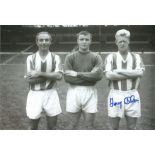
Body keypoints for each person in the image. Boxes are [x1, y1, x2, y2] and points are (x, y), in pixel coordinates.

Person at [105, 29, 145, 130]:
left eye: (124, 41)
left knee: (132, 127)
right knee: (113, 127)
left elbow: (140, 73)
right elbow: (109, 76)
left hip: (132, 94)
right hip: (115, 94)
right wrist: (132, 74)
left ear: (129, 41)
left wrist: (118, 71)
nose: (122, 43)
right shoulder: (111, 57)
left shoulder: (136, 57)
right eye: (120, 41)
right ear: (116, 42)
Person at [64, 31, 103, 129]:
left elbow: (99, 76)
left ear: (90, 41)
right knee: (72, 126)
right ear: (77, 41)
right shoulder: (70, 57)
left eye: (87, 39)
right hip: (74, 91)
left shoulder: (96, 57)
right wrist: (90, 76)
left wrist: (77, 74)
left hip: (90, 91)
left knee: (89, 126)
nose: (84, 42)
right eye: (81, 39)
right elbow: (67, 78)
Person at [24, 31, 63, 130]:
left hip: (51, 94)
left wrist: (38, 73)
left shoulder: (56, 58)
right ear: (37, 42)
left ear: (50, 42)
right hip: (34, 94)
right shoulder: (30, 58)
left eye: (46, 40)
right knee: (32, 127)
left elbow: (59, 76)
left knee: (52, 127)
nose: (44, 42)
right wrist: (52, 75)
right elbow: (30, 81)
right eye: (41, 40)